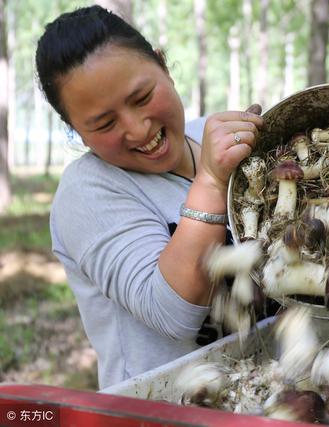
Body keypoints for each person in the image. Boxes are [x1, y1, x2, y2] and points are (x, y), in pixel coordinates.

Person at [35, 6, 264, 389]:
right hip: (163, 410)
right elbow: (173, 313)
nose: (138, 129)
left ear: (163, 66)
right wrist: (209, 182)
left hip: (270, 392)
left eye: (142, 97)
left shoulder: (210, 135)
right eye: (105, 124)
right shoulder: (87, 191)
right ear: (77, 130)